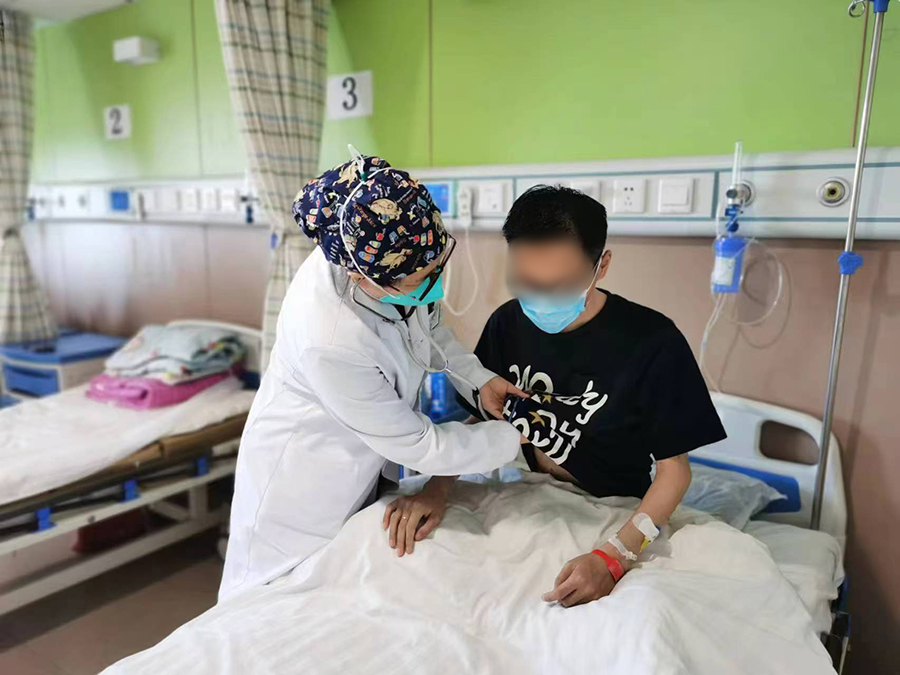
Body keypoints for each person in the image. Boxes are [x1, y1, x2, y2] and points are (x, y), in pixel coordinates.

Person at [383, 185, 726, 608]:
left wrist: (615, 558)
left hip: (614, 513)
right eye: (525, 282)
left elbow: (675, 473)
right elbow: (486, 416)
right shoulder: (507, 323)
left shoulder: (653, 343)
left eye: (560, 285)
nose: (539, 298)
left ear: (601, 266)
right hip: (525, 495)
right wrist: (437, 489)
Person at [219, 153, 526, 601]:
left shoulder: (395, 258)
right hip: (302, 490)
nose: (435, 285)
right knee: (276, 604)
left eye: (438, 266)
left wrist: (478, 381)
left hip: (365, 469)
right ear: (361, 277)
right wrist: (516, 438)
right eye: (421, 280)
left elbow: (430, 332)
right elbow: (422, 445)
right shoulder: (329, 338)